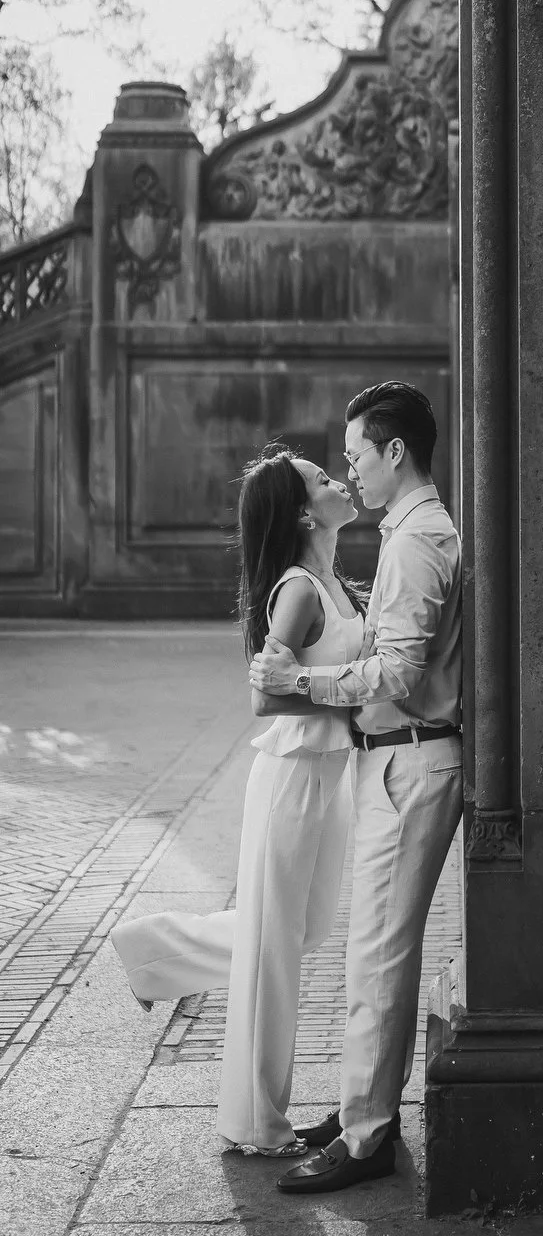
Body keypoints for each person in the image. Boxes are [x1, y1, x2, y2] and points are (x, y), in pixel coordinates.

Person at [110, 448, 365, 1156]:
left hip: (327, 776)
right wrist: (351, 692)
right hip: (292, 778)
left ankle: (152, 950)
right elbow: (262, 696)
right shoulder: (298, 591)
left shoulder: (333, 581)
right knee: (275, 949)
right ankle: (258, 1122)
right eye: (322, 479)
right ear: (306, 512)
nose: (339, 480)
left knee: (295, 933)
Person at [248, 379, 463, 1196]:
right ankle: (362, 1108)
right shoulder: (412, 532)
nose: (351, 472)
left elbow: (400, 672)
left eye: (355, 457)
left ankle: (368, 1135)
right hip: (399, 757)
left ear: (394, 452)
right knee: (376, 950)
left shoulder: (413, 540)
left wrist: (303, 677)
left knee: (378, 953)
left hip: (410, 757)